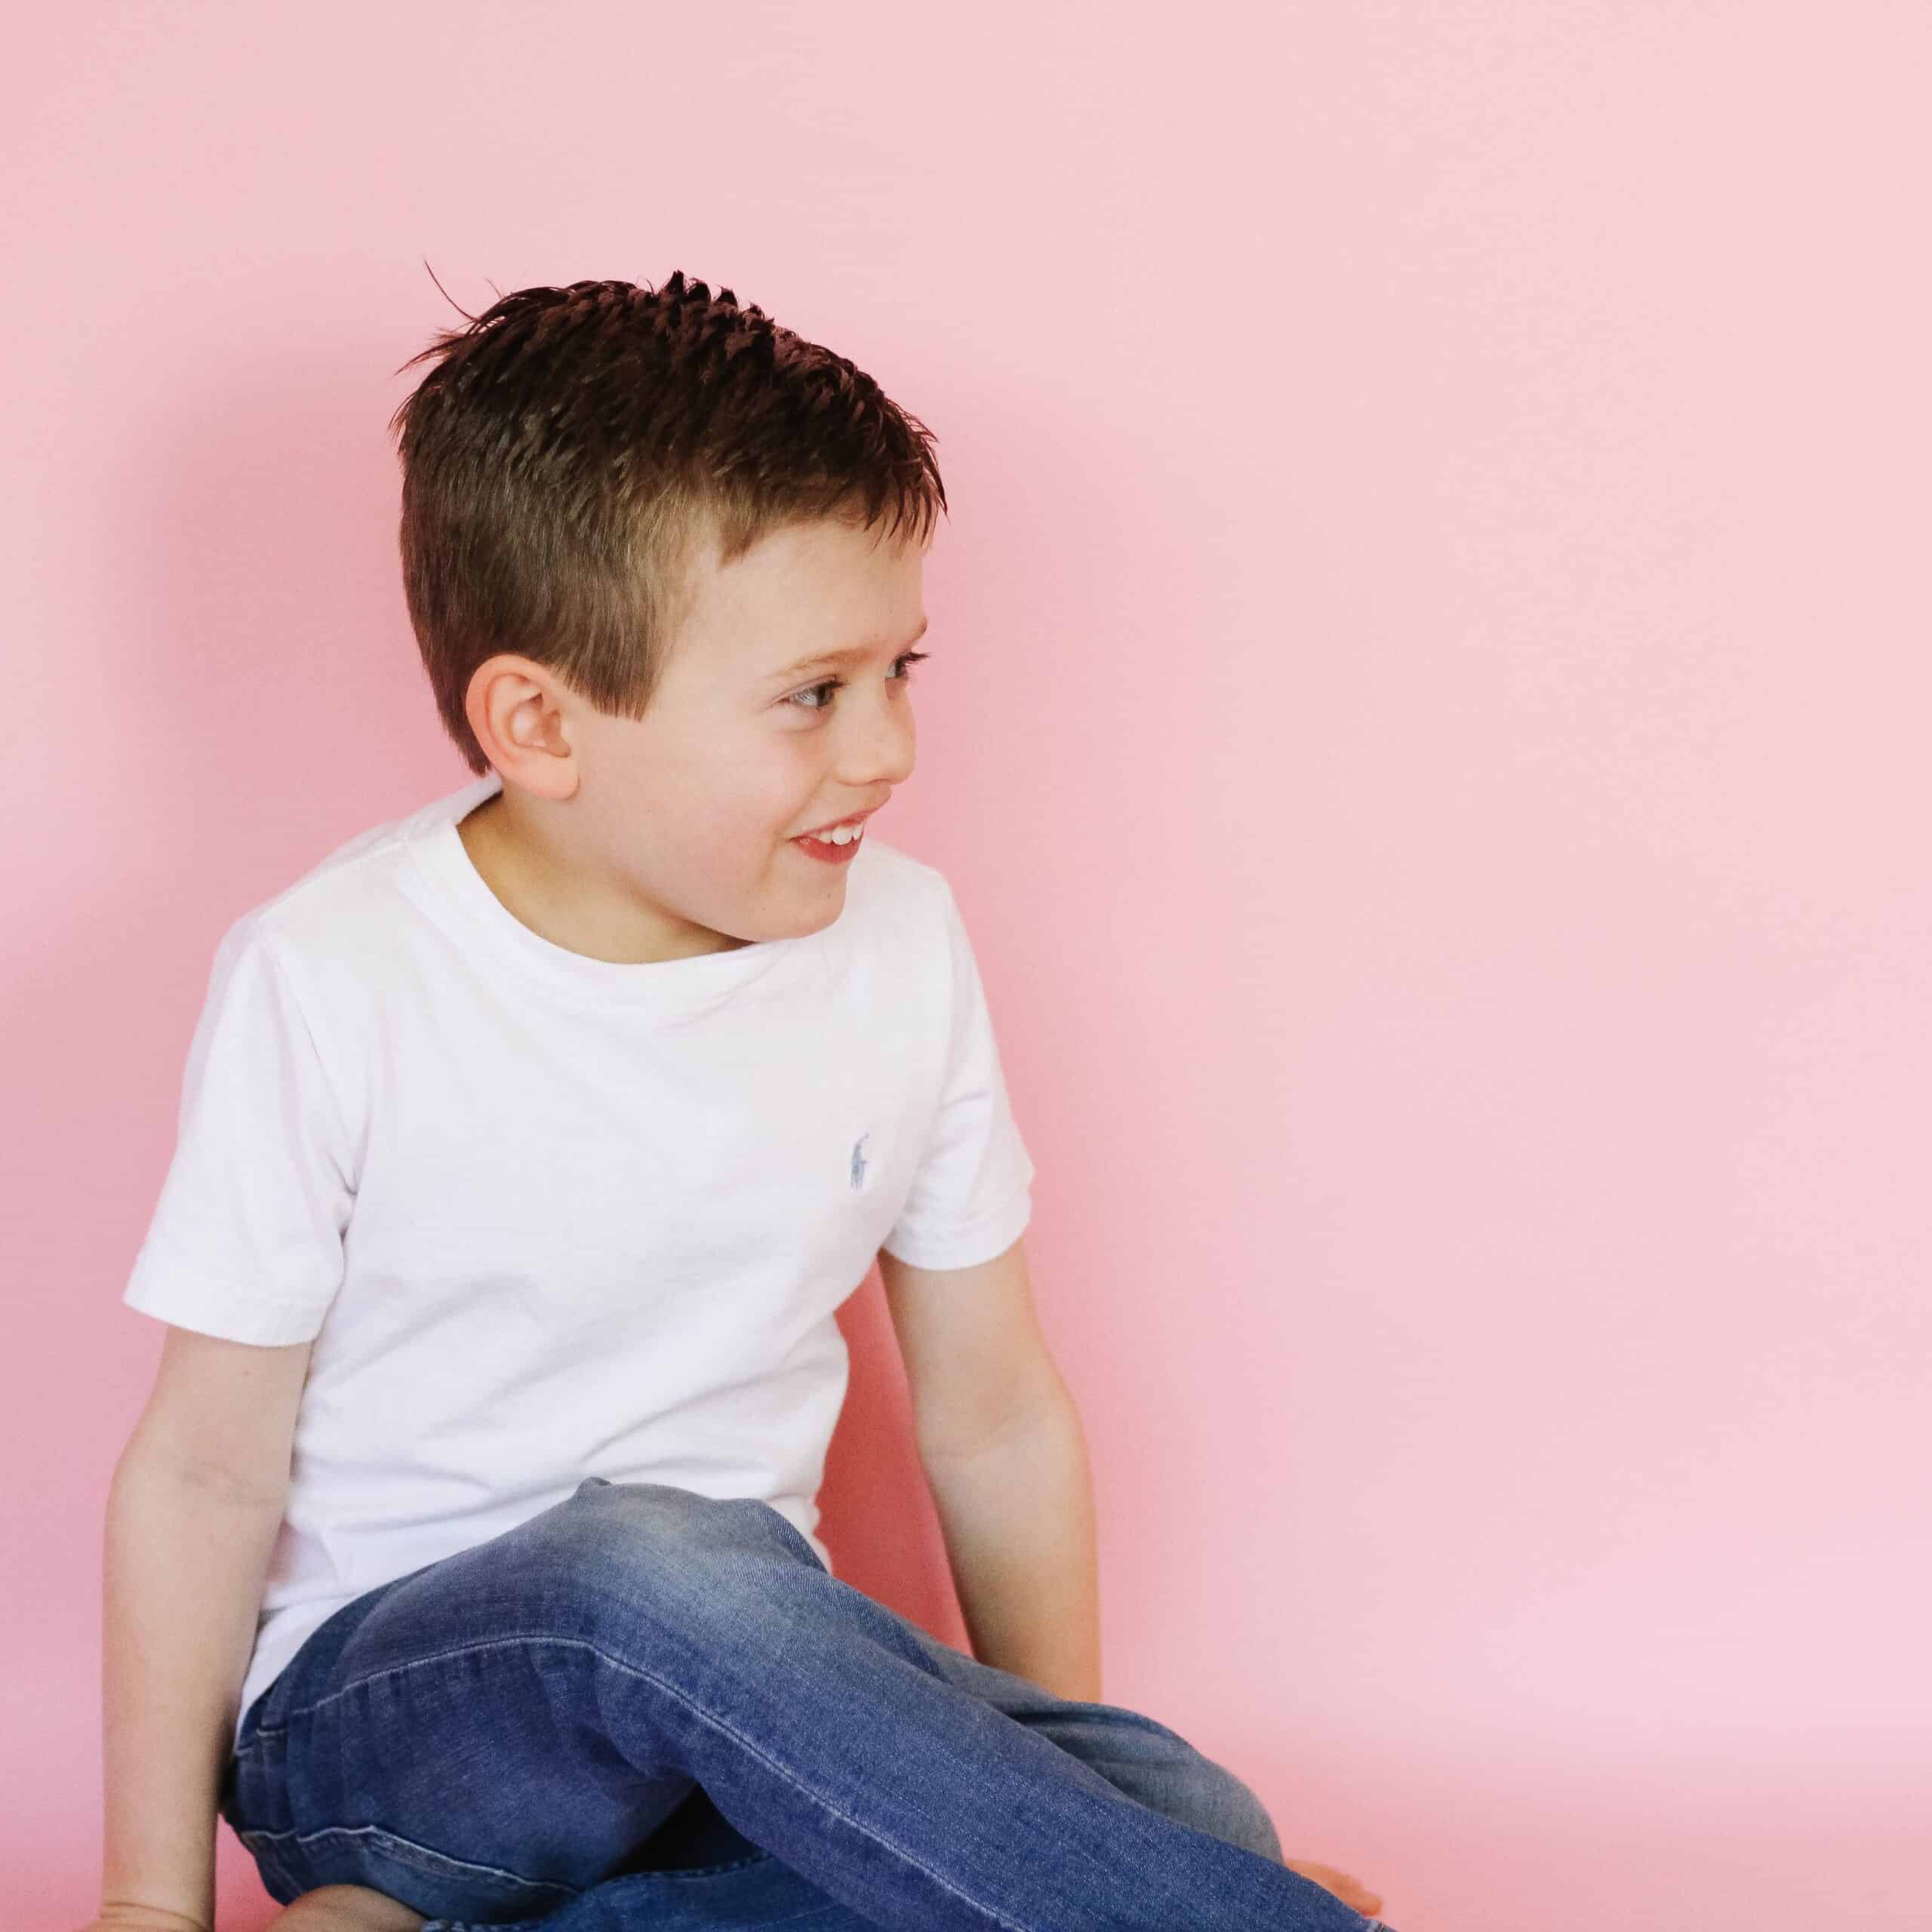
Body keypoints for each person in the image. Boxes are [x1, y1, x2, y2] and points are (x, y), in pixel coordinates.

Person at [93, 273, 1391, 1932]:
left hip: (726, 1721)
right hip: (394, 1730)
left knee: (1182, 1800)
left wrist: (1043, 1799)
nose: (888, 746)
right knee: (652, 1563)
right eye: (814, 693)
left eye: (900, 669)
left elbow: (989, 1408)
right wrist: (148, 1902)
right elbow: (202, 1469)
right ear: (543, 723)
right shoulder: (334, 973)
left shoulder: (904, 944)